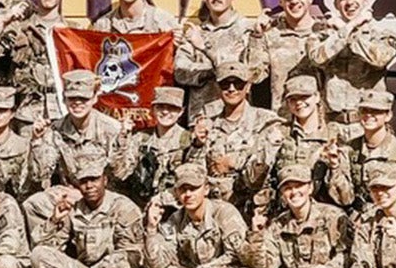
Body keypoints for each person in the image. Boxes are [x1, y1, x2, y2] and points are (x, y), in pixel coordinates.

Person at [232, 163, 351, 268]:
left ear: (310, 188)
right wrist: (257, 233)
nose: (294, 192)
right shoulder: (279, 224)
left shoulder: (333, 216)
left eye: (299, 186)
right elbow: (265, 266)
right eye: (288, 188)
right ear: (282, 193)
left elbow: (348, 254)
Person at [25, 154, 144, 268]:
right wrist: (54, 220)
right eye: (83, 181)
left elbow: (132, 254)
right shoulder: (74, 209)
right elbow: (47, 248)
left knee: (124, 264)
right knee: (38, 254)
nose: (89, 186)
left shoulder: (124, 208)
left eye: (94, 179)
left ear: (105, 181)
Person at [142, 163, 245, 268]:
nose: (188, 194)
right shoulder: (175, 219)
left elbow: (234, 255)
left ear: (206, 189)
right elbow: (157, 265)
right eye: (183, 189)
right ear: (176, 192)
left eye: (194, 188)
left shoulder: (225, 213)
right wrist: (151, 229)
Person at [189, 62, 278, 209]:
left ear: (248, 87)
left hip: (253, 206)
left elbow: (264, 167)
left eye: (238, 84)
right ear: (218, 88)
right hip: (213, 205)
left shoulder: (266, 121)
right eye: (225, 84)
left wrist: (233, 162)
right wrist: (197, 145)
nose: (231, 89)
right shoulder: (208, 123)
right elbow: (195, 172)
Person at [310, 0, 396, 122]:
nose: (350, 2)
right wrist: (347, 29)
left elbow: (379, 59)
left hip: (370, 123)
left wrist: (348, 31)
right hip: (333, 124)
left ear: (366, 0)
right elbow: (317, 58)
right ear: (336, 4)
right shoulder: (322, 36)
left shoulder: (383, 35)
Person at [175, 0, 261, 112]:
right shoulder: (195, 33)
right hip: (201, 117)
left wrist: (204, 50)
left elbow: (254, 73)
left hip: (237, 117)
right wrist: (211, 71)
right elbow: (181, 72)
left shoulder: (248, 30)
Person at [328, 90, 396, 211]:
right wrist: (335, 167)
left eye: (376, 111)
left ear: (388, 115)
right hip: (360, 217)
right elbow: (345, 199)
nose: (368, 115)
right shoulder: (350, 149)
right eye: (364, 111)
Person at [37, 71, 131, 190]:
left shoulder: (112, 129)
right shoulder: (55, 130)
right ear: (64, 99)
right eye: (72, 98)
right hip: (69, 194)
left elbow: (121, 174)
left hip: (104, 196)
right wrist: (36, 142)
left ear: (95, 98)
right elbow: (40, 175)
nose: (77, 102)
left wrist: (122, 143)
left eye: (83, 98)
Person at [251, 0, 329, 108]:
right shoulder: (270, 35)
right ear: (280, 1)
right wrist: (257, 36)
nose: (294, 1)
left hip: (320, 118)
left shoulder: (326, 33)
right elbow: (255, 76)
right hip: (283, 117)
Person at [263, 76, 339, 207]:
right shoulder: (278, 132)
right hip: (284, 210)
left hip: (324, 212)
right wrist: (268, 150)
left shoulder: (333, 134)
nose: (299, 103)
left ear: (317, 97)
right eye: (293, 99)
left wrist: (334, 166)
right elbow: (256, 181)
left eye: (304, 97)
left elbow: (344, 197)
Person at [127, 87, 191, 202]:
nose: (165, 112)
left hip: (175, 205)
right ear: (153, 109)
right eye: (160, 107)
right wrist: (123, 138)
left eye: (172, 108)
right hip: (141, 202)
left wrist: (161, 201)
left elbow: (192, 181)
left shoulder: (188, 141)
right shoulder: (140, 138)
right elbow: (121, 171)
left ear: (181, 111)